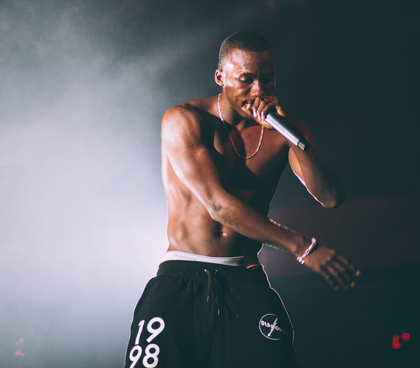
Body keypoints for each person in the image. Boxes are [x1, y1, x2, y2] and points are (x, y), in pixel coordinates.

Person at [124, 31, 360, 368]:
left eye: (268, 78)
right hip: (182, 276)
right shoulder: (185, 120)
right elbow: (218, 205)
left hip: (244, 277)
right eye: (246, 79)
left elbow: (331, 197)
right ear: (220, 77)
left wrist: (294, 136)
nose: (259, 90)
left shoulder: (285, 131)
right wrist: (303, 248)